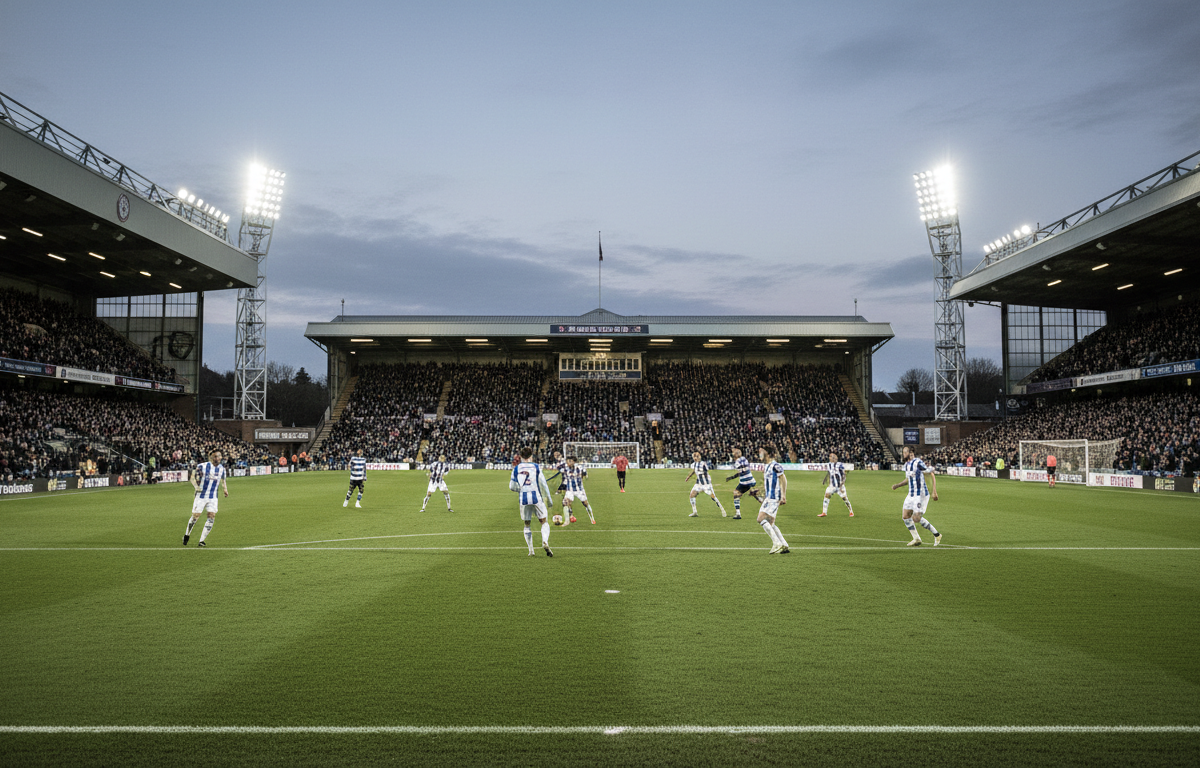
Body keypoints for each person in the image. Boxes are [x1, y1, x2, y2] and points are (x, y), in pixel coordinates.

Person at [890, 445, 942, 546]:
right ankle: (916, 538)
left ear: (910, 453)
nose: (903, 454)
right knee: (905, 516)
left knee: (916, 518)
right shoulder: (906, 465)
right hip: (911, 494)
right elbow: (908, 480)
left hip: (921, 495)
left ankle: (937, 535)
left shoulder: (918, 462)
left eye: (905, 452)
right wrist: (898, 485)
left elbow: (930, 473)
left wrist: (934, 491)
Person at [509, 446, 554, 556]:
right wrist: (549, 499)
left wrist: (521, 489)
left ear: (520, 457)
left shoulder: (516, 468)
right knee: (544, 522)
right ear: (531, 456)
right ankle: (545, 541)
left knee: (527, 524)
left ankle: (531, 551)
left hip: (523, 498)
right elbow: (543, 484)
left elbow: (511, 487)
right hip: (536, 497)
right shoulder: (536, 467)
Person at [183, 450, 228, 547]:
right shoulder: (202, 466)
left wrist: (225, 490)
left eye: (219, 456)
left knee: (211, 516)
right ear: (211, 458)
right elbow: (192, 477)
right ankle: (187, 534)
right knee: (195, 517)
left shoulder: (222, 469)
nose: (218, 458)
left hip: (213, 497)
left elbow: (223, 480)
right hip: (201, 496)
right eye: (216, 456)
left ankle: (201, 540)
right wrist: (196, 487)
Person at [757, 445, 789, 554]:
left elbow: (783, 479)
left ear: (768, 453)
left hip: (775, 497)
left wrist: (783, 496)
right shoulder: (766, 466)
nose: (760, 453)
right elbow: (767, 484)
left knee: (760, 519)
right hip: (769, 497)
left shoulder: (775, 465)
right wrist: (759, 492)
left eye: (762, 451)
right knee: (770, 523)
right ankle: (784, 544)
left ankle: (776, 543)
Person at [684, 450, 726, 517]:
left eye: (697, 456)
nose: (696, 457)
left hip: (706, 484)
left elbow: (707, 471)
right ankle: (695, 512)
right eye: (695, 456)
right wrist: (688, 477)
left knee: (713, 497)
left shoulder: (703, 464)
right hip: (698, 483)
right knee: (692, 495)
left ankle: (722, 509)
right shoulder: (694, 464)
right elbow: (694, 470)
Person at [724, 447, 763, 519]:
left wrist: (731, 477)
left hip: (744, 482)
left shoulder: (737, 462)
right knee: (754, 494)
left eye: (734, 452)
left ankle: (738, 513)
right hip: (751, 480)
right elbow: (745, 469)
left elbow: (741, 472)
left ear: (735, 455)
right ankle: (763, 503)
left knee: (736, 494)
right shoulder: (744, 459)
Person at [562, 456, 596, 525]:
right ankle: (571, 515)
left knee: (585, 503)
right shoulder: (565, 469)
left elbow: (584, 474)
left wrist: (581, 479)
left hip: (579, 490)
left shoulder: (579, 468)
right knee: (565, 502)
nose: (568, 463)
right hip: (570, 489)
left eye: (570, 461)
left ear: (574, 462)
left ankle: (592, 518)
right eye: (568, 461)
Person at [819, 451, 854, 518]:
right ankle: (824, 512)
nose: (830, 458)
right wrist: (825, 480)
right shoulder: (829, 464)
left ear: (836, 458)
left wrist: (842, 483)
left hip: (839, 486)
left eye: (832, 456)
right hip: (832, 486)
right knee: (826, 496)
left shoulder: (840, 464)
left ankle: (851, 511)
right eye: (830, 456)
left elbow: (845, 473)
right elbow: (829, 473)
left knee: (845, 499)